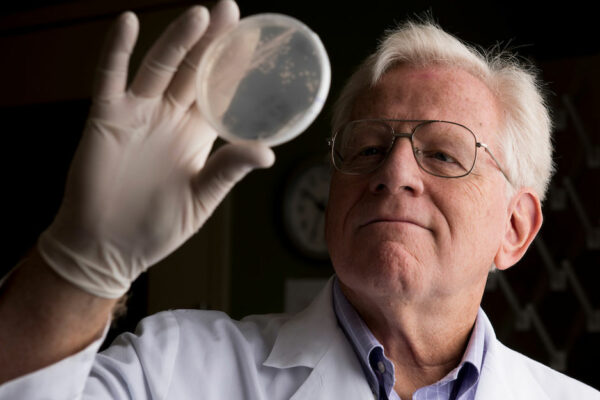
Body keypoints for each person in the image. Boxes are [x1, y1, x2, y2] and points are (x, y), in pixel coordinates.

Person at [0, 1, 598, 399]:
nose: (394, 172)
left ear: (515, 229)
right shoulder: (175, 369)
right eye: (366, 148)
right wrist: (78, 265)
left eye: (443, 154)